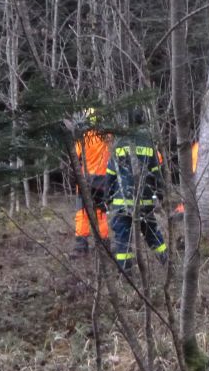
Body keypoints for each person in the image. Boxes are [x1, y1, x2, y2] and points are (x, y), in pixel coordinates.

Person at [106, 110, 168, 271]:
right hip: (145, 199)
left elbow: (111, 173)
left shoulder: (119, 142)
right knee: (151, 233)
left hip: (122, 201)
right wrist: (160, 193)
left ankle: (126, 272)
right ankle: (167, 263)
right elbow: (156, 171)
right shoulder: (148, 142)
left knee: (122, 237)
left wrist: (106, 195)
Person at [72, 109, 112, 258]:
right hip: (102, 180)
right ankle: (104, 244)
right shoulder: (107, 137)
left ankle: (80, 246)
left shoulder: (83, 138)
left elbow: (75, 157)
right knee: (101, 214)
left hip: (85, 180)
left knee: (82, 213)